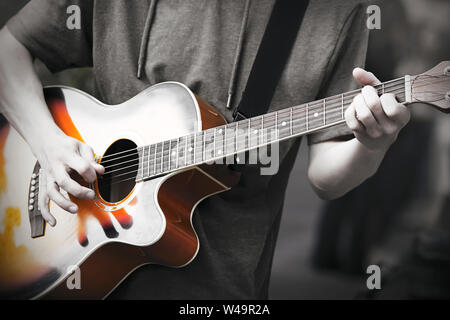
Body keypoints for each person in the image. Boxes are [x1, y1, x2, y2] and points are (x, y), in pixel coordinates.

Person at [0, 0, 410, 299]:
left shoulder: (337, 12)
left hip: (221, 290)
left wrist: (373, 145)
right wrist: (49, 144)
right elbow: (9, 48)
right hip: (73, 263)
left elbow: (326, 178)